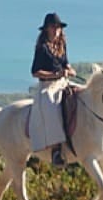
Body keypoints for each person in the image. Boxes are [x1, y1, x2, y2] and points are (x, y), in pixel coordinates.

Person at [30, 13, 76, 166]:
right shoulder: (42, 48)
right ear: (47, 29)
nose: (56, 30)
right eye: (53, 27)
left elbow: (66, 63)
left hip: (63, 81)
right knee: (50, 105)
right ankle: (56, 149)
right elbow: (35, 72)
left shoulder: (61, 45)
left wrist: (69, 70)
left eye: (58, 27)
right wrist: (54, 74)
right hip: (48, 85)